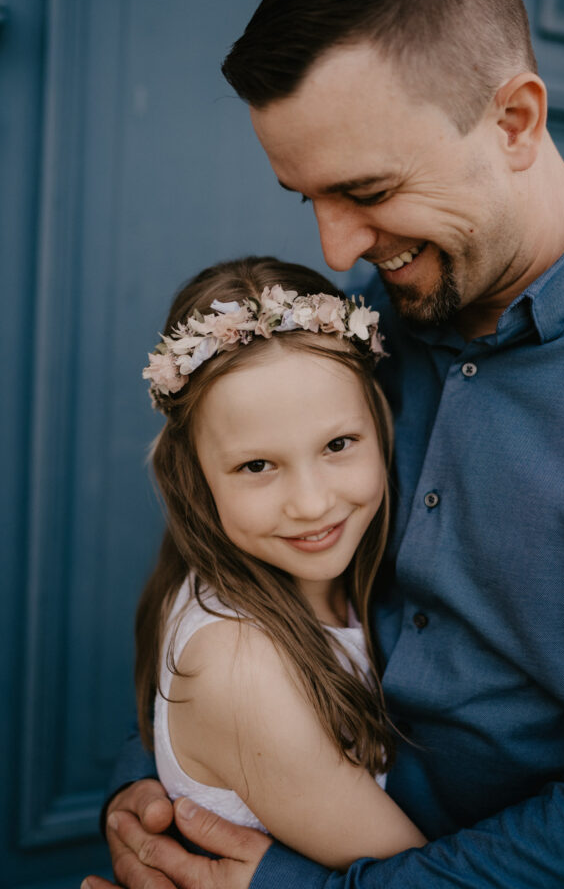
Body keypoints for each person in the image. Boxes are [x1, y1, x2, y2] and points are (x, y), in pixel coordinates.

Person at [86, 0, 564, 889]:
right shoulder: (330, 331)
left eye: (364, 192)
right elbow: (223, 563)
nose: (333, 248)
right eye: (304, 198)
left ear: (514, 120)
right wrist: (151, 786)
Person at [132, 255, 426, 869]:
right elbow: (416, 879)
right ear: (195, 476)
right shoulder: (240, 669)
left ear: (379, 418)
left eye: (338, 445)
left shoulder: (333, 591)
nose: (313, 503)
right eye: (257, 466)